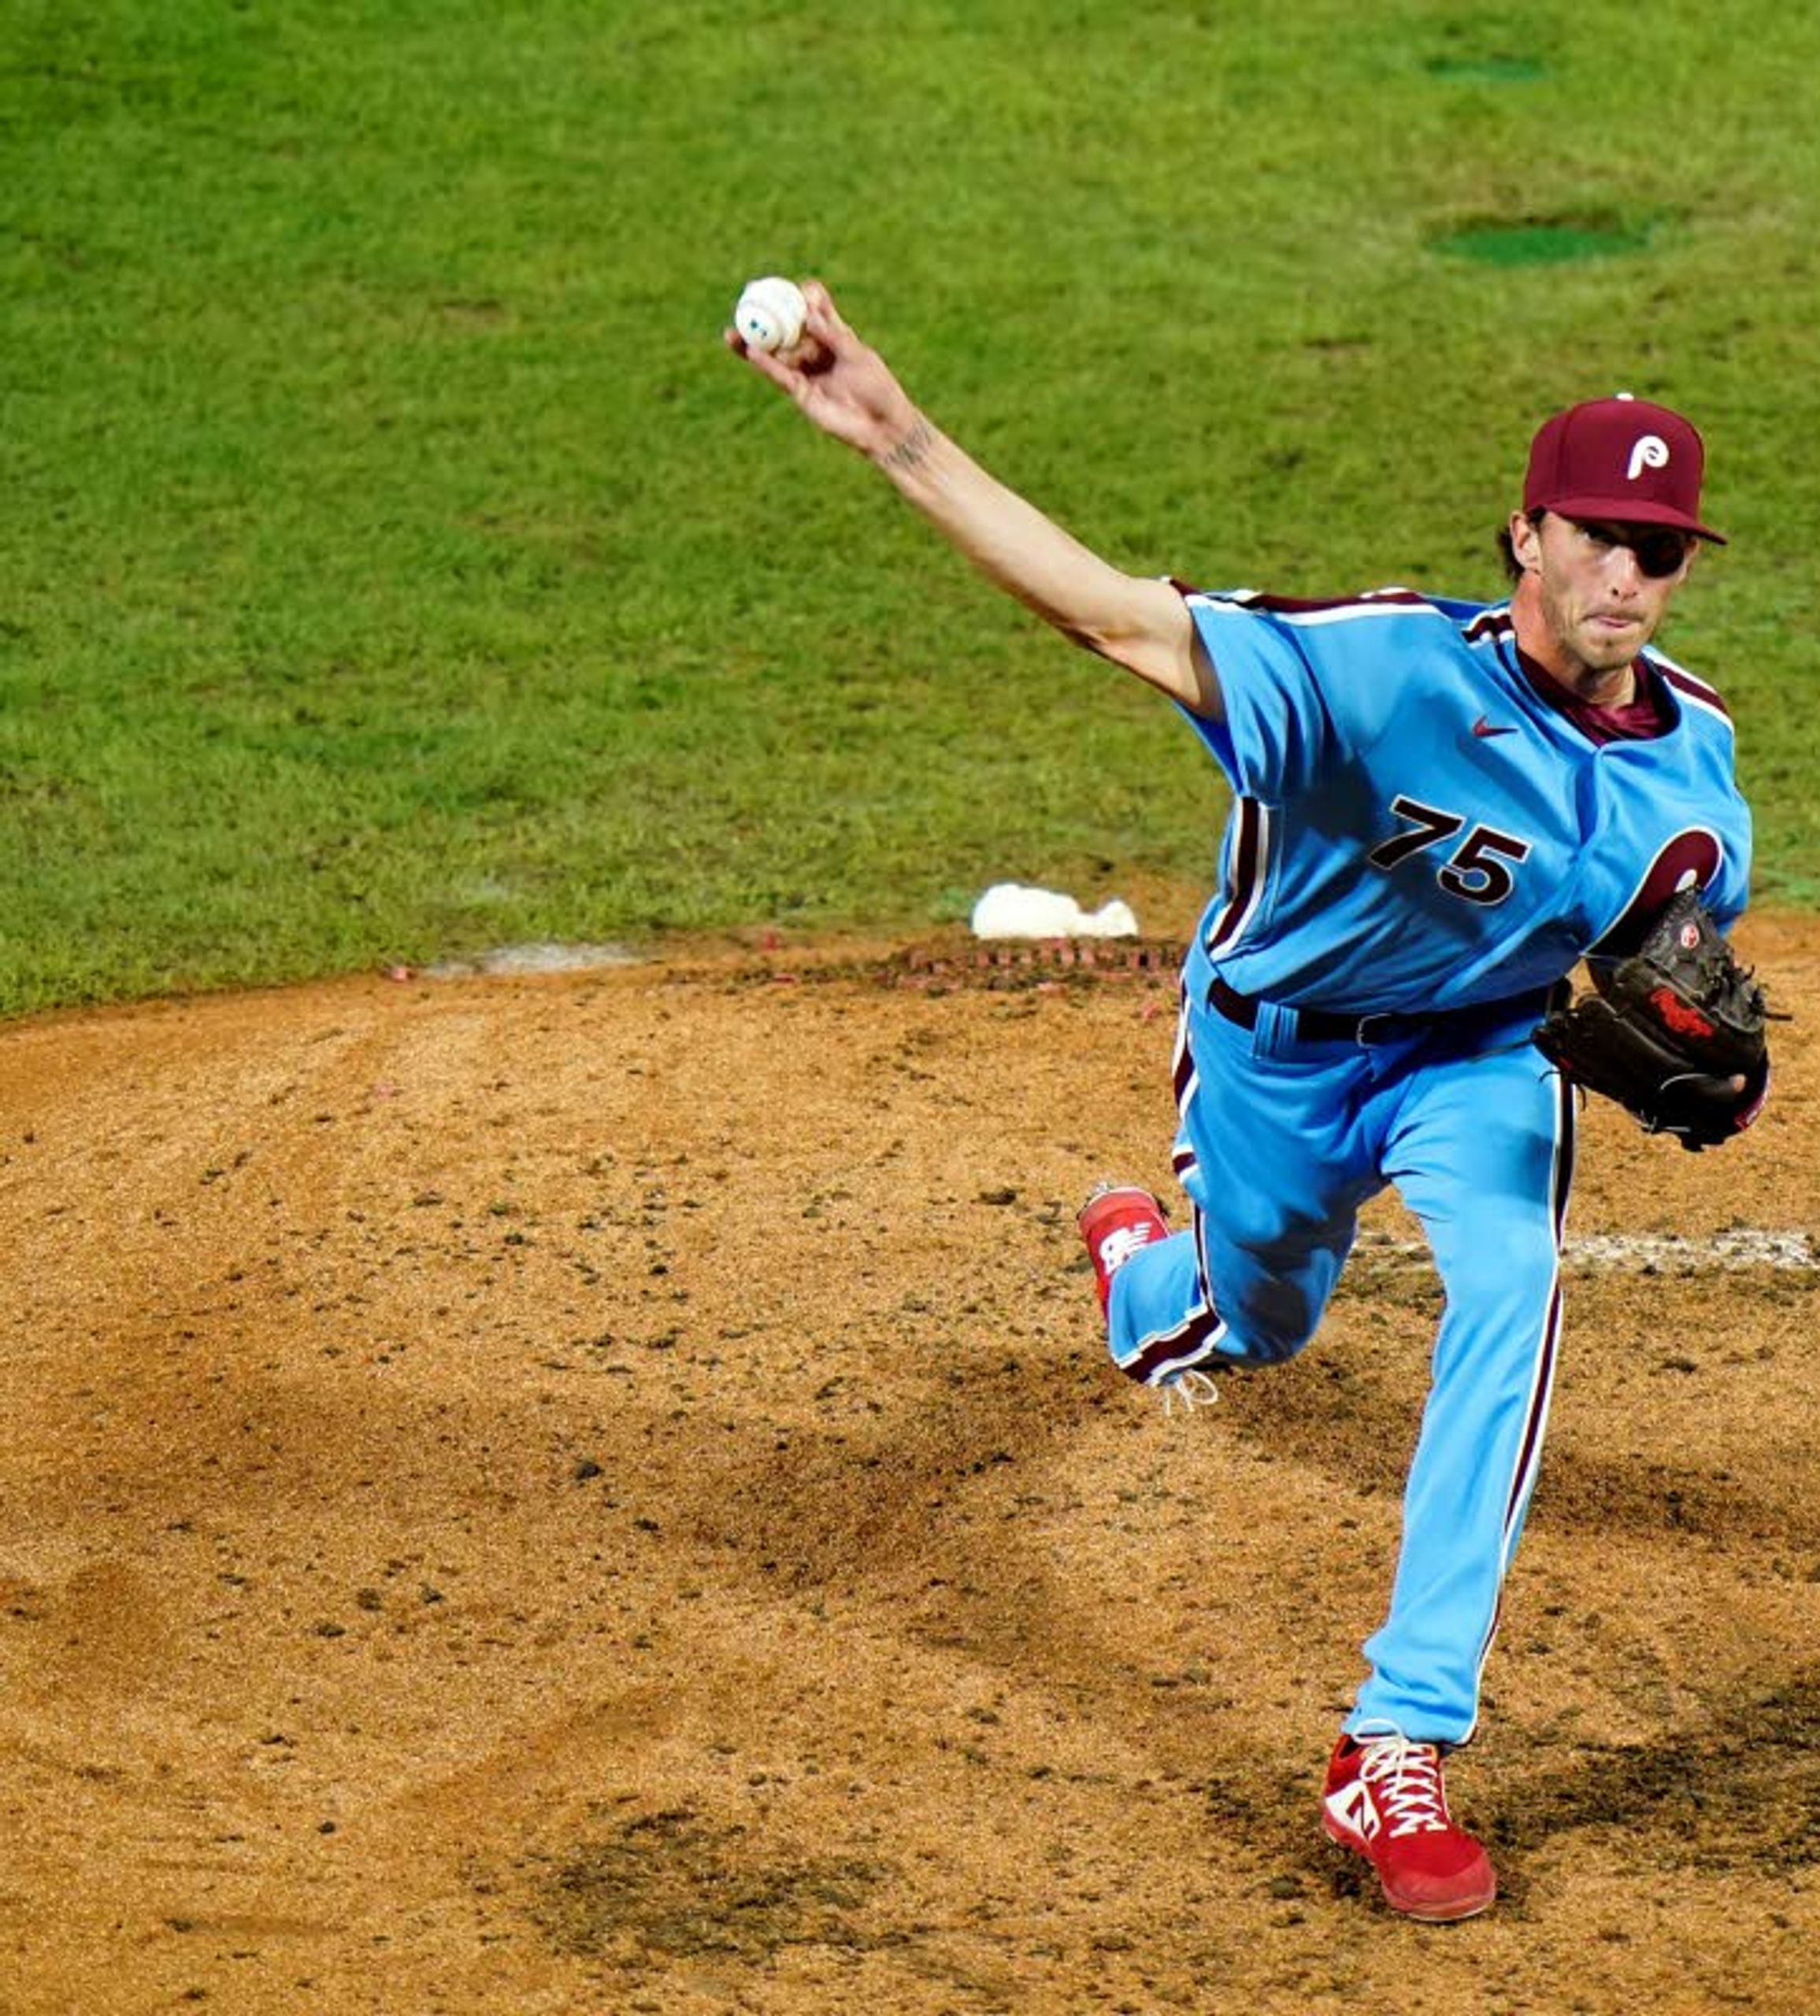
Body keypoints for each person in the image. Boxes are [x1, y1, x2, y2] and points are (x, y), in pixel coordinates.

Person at [732, 282, 1763, 1923]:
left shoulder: (1695, 764)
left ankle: (1398, 1738)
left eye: (1663, 546)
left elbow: (1669, 957)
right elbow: (1116, 617)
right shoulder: (1380, 677)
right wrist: (896, 432)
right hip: (1276, 1047)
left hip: (1478, 1059)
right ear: (1526, 535)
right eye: (1598, 535)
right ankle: (1151, 1264)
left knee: (1512, 1282)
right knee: (1248, 1316)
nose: (1630, 573)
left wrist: (1702, 1038)